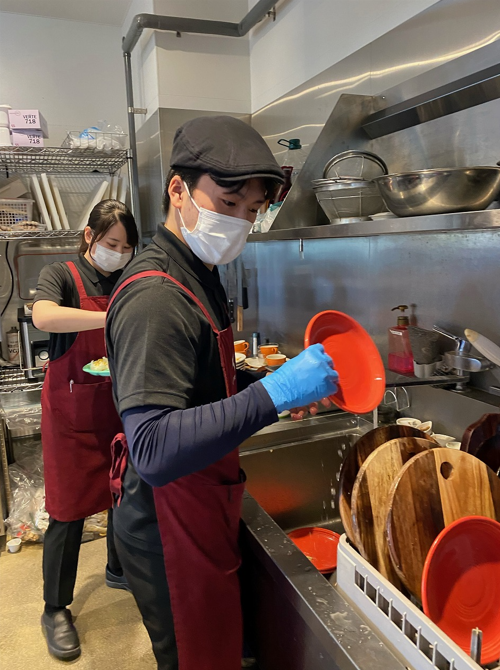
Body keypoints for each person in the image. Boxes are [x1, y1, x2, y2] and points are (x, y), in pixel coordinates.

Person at [105, 116, 338, 670]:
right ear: (178, 189)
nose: (239, 222)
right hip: (168, 527)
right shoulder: (156, 296)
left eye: (251, 210)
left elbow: (199, 385)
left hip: (198, 506)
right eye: (228, 202)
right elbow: (154, 448)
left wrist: (265, 388)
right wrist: (274, 393)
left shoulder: (198, 268)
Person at [33, 199, 139, 662]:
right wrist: (108, 317)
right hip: (72, 416)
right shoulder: (62, 275)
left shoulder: (129, 279)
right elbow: (44, 316)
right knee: (68, 511)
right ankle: (55, 608)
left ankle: (118, 568)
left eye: (128, 247)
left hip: (118, 408)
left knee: (124, 496)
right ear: (89, 237)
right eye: (113, 244)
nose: (120, 254)